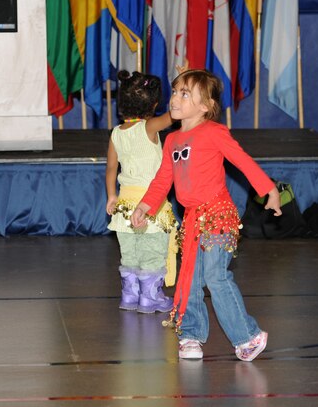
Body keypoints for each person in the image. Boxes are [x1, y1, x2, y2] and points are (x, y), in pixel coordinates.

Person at [130, 70, 280, 362]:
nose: (175, 98)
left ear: (205, 106)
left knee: (215, 276)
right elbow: (163, 179)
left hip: (217, 215)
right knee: (190, 279)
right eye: (175, 91)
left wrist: (268, 189)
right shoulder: (172, 139)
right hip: (191, 219)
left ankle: (248, 336)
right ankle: (192, 334)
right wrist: (145, 205)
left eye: (185, 93)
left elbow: (243, 162)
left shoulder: (214, 132)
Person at [105, 71, 175, 313]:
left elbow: (111, 169)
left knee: (131, 254)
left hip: (124, 207)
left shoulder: (116, 133)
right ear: (154, 104)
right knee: (153, 252)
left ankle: (129, 295)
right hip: (150, 206)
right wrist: (183, 85)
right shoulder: (150, 127)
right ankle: (149, 297)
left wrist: (112, 196)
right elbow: (174, 115)